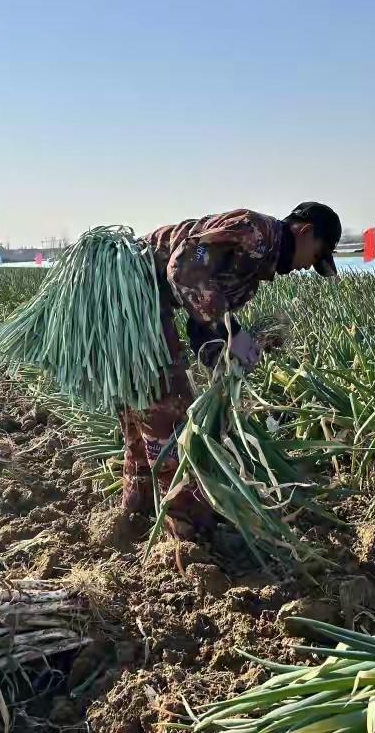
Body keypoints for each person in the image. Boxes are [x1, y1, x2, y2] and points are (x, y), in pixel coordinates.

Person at [121, 202, 341, 538]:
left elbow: (200, 321)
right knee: (169, 408)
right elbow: (183, 268)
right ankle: (187, 530)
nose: (307, 267)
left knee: (143, 407)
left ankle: (135, 513)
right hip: (133, 296)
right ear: (305, 232)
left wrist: (225, 357)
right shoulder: (256, 232)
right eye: (316, 255)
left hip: (137, 300)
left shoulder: (254, 266)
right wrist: (233, 331)